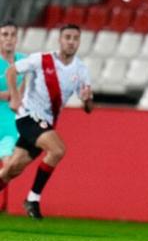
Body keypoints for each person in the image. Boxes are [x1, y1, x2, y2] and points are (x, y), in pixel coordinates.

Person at [0, 24, 94, 219]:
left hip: (46, 123)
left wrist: (87, 100)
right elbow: (11, 71)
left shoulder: (81, 69)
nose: (71, 41)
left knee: (11, 170)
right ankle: (32, 199)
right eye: (67, 37)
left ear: (79, 42)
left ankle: (30, 198)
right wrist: (16, 97)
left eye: (75, 38)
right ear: (59, 40)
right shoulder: (41, 59)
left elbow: (88, 108)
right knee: (58, 149)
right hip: (28, 117)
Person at [0, 20, 27, 210]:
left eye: (12, 35)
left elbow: (26, 90)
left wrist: (15, 95)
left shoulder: (24, 61)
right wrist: (11, 94)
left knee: (10, 165)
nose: (9, 39)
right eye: (4, 35)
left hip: (12, 123)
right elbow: (15, 95)